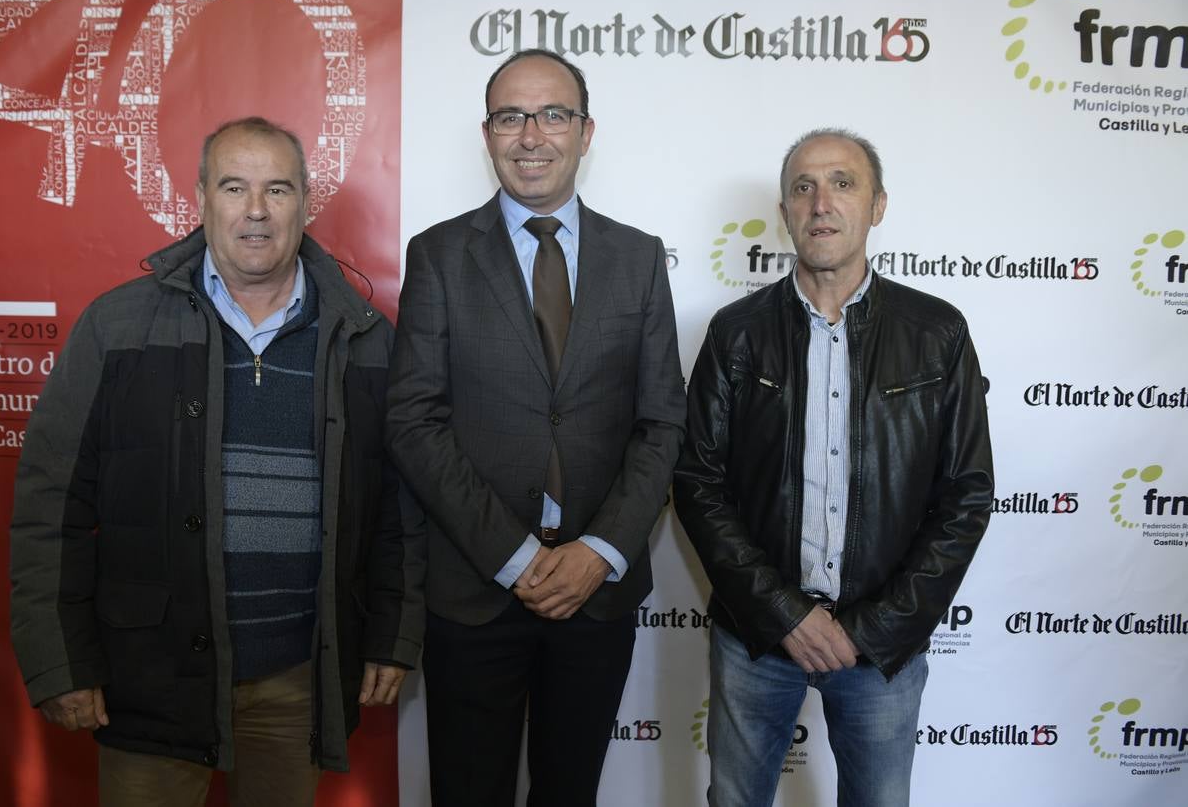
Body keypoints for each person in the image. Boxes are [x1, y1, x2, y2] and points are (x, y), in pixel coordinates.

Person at [9, 116, 423, 807]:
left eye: (277, 190)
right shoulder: (117, 327)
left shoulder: (366, 339)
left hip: (298, 679)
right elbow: (50, 505)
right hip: (150, 678)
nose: (256, 211)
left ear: (305, 202)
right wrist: (59, 661)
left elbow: (397, 514)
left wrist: (393, 635)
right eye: (235, 187)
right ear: (200, 198)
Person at [386, 49, 687, 806]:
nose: (532, 135)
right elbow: (414, 420)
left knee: (570, 792)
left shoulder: (639, 259)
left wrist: (601, 550)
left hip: (597, 596)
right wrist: (515, 556)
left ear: (586, 132)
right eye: (511, 116)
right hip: (477, 589)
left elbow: (661, 423)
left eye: (553, 114)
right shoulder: (438, 256)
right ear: (486, 134)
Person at [673, 129, 993, 807]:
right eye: (803, 187)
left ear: (878, 205)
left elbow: (966, 494)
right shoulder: (735, 333)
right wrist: (783, 614)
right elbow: (698, 482)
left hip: (881, 649)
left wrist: (872, 629)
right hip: (757, 639)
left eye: (843, 183)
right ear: (786, 211)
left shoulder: (938, 333)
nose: (821, 202)